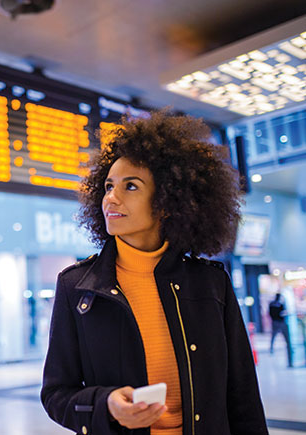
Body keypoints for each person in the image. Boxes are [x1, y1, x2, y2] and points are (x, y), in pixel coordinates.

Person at [41, 111, 268, 435]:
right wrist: (106, 405)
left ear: (167, 201)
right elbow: (55, 394)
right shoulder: (78, 287)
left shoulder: (211, 284)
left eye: (130, 186)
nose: (111, 198)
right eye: (108, 186)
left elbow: (243, 396)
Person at [269, 292, 293, 367]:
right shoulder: (280, 304)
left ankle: (271, 349)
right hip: (280, 322)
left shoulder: (271, 304)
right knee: (287, 341)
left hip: (275, 322)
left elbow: (270, 313)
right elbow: (282, 313)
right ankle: (290, 360)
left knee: (273, 337)